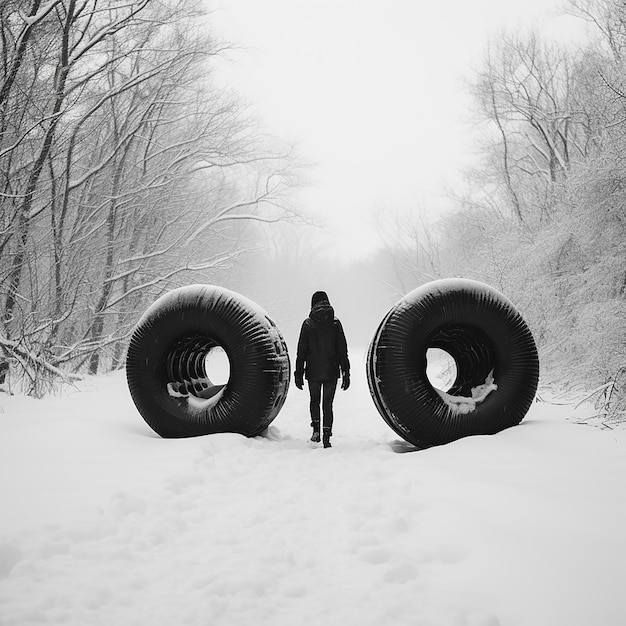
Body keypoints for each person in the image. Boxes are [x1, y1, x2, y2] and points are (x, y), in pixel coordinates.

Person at [294, 291, 350, 448]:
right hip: (331, 370)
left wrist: (299, 373)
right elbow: (342, 350)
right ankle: (327, 436)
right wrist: (346, 372)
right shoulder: (335, 323)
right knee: (328, 404)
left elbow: (301, 352)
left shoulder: (307, 324)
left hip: (313, 371)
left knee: (314, 401)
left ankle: (316, 431)